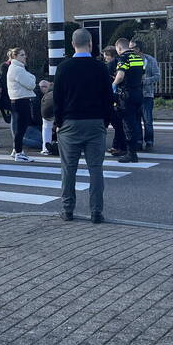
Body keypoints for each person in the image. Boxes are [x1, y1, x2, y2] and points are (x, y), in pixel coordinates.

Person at [53, 28, 113, 224]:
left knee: (68, 170)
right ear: (90, 44)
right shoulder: (100, 67)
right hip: (95, 123)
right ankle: (97, 212)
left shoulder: (63, 68)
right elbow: (108, 98)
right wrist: (105, 122)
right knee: (95, 169)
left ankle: (67, 209)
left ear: (72, 44)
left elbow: (57, 99)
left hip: (70, 124)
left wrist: (59, 123)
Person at [112, 38, 145, 163]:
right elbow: (141, 73)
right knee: (136, 122)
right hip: (138, 92)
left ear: (119, 48)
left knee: (127, 124)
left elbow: (120, 76)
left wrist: (114, 84)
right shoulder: (137, 57)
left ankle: (131, 154)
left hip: (127, 94)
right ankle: (135, 148)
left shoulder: (123, 58)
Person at [6, 47, 37, 162]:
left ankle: (16, 150)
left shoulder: (16, 68)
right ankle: (19, 152)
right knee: (21, 128)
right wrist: (33, 77)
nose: (25, 57)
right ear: (15, 57)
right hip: (21, 101)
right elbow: (31, 84)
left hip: (17, 100)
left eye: (24, 54)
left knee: (19, 127)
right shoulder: (17, 69)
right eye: (22, 55)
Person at [130, 39, 161, 151]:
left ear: (138, 49)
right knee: (136, 119)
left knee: (147, 120)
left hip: (147, 94)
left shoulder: (150, 60)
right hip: (134, 94)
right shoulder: (130, 60)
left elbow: (157, 76)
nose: (130, 50)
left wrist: (145, 81)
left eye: (132, 48)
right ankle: (138, 141)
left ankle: (149, 141)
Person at [102, 46, 126, 155]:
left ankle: (118, 146)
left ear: (109, 56)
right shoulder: (120, 63)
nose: (105, 59)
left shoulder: (109, 66)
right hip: (119, 98)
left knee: (109, 124)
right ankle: (116, 145)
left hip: (110, 99)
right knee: (118, 124)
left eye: (105, 57)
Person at [38, 80, 58, 155]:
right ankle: (61, 145)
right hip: (56, 106)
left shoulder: (46, 95)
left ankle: (45, 149)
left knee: (46, 128)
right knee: (63, 127)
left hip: (45, 109)